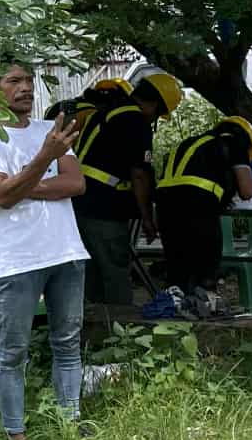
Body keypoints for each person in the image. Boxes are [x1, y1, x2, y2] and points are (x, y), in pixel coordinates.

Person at [0, 60, 89, 440]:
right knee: (13, 349)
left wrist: (13, 190)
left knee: (67, 343)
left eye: (29, 81)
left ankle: (69, 424)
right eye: (14, 80)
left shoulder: (50, 133)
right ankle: (16, 436)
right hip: (19, 259)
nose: (26, 88)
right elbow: (0, 194)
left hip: (66, 251)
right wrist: (41, 164)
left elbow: (76, 183)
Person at [71, 67, 182, 304]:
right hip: (104, 208)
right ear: (154, 105)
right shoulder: (134, 120)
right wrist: (148, 218)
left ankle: (94, 329)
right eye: (158, 115)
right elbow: (140, 174)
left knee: (92, 273)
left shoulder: (106, 111)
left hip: (81, 202)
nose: (154, 121)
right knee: (115, 270)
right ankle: (122, 330)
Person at [153, 115, 252, 317]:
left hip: (166, 208)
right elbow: (247, 190)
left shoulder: (192, 142)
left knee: (177, 269)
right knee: (206, 267)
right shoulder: (234, 142)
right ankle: (206, 309)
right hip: (198, 207)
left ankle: (174, 313)